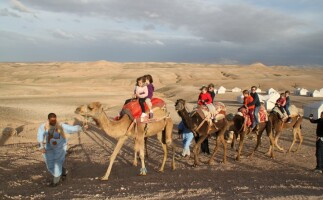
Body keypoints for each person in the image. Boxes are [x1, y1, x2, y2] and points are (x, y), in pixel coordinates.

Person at [37, 113, 86, 186]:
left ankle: (55, 182)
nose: (53, 121)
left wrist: (82, 128)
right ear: (48, 120)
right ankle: (64, 172)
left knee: (57, 163)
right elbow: (40, 135)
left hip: (60, 148)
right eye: (52, 120)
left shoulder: (61, 126)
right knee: (50, 164)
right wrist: (41, 147)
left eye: (55, 120)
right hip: (49, 148)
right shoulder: (43, 126)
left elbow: (72, 129)